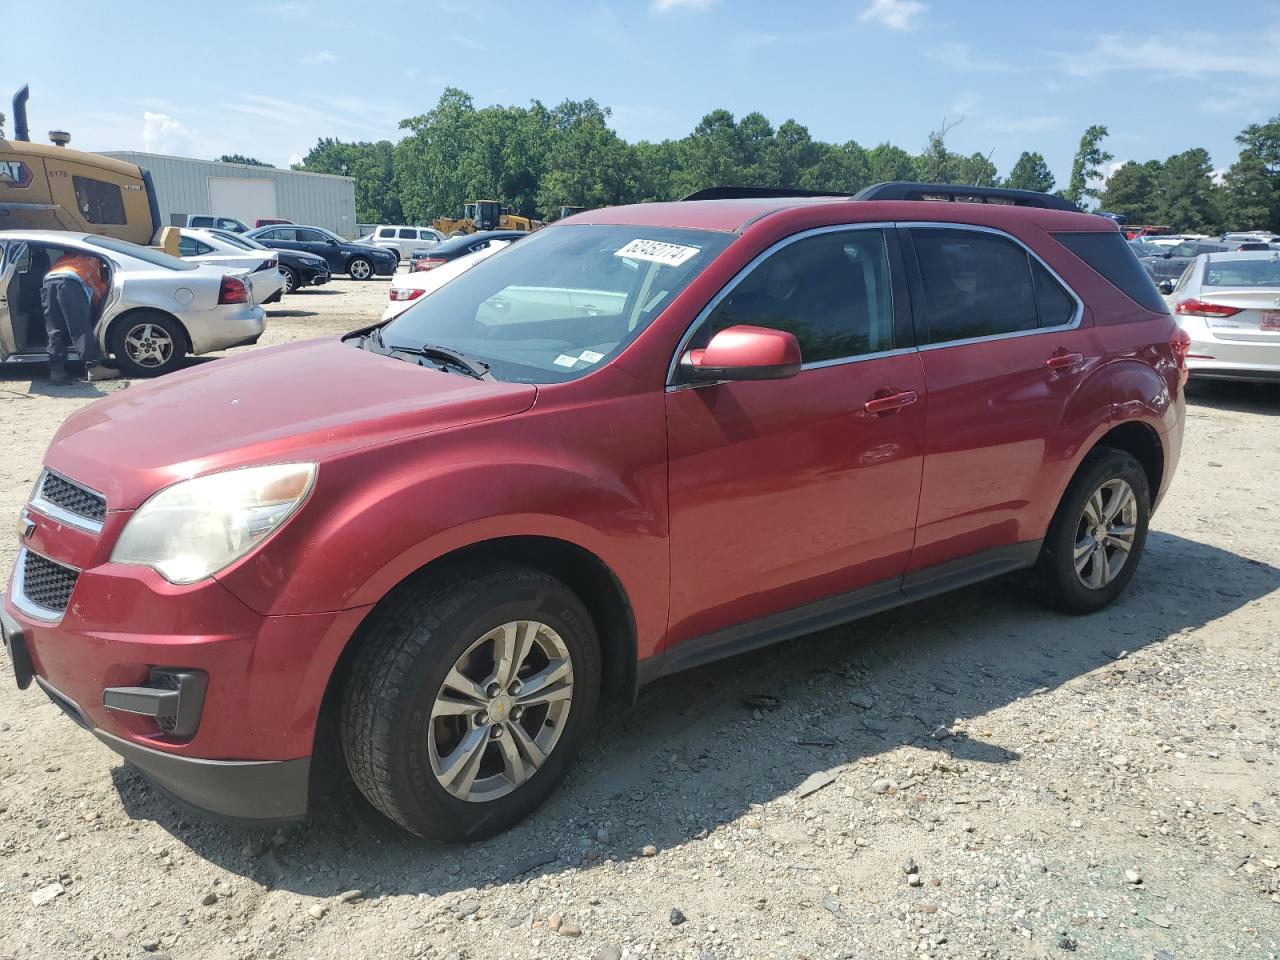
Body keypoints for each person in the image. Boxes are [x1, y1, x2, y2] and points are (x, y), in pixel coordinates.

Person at [42, 252, 119, 385]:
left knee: (55, 330)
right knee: (80, 328)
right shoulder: (94, 260)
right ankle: (94, 368)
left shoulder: (63, 258)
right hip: (70, 283)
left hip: (49, 283)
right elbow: (97, 287)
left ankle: (57, 372)